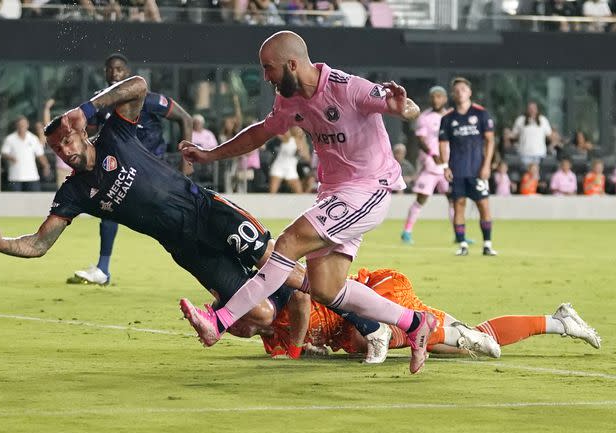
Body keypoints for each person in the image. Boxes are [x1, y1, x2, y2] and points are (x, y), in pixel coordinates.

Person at [177, 31, 436, 374]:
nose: (266, 77)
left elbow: (406, 109)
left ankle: (220, 320)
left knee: (287, 243)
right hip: (333, 194)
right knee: (327, 288)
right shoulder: (290, 99)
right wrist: (211, 155)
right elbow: (261, 132)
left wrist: (405, 107)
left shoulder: (348, 88)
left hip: (369, 189)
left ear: (292, 64)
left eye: (268, 68)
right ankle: (415, 323)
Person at [0, 76, 304, 333]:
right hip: (185, 248)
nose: (65, 151)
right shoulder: (74, 192)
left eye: (67, 141)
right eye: (57, 149)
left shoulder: (115, 134)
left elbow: (138, 85)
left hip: (208, 212)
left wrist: (86, 108)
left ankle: (344, 309)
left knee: (285, 269)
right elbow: (39, 244)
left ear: (82, 133)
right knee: (258, 317)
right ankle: (290, 316)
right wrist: (0, 244)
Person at [236, 268, 600, 361]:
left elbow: (302, 302)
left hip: (377, 293)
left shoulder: (275, 297)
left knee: (368, 338)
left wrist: (299, 348)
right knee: (466, 344)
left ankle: (443, 332)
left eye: (233, 320)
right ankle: (560, 321)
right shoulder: (270, 342)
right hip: (350, 330)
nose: (234, 329)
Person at [68, 52, 194, 287]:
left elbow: (186, 119)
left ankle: (210, 261)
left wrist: (185, 164)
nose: (115, 73)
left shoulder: (149, 100)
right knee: (108, 208)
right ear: (105, 73)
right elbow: (90, 136)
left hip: (154, 169)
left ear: (127, 73)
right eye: (110, 69)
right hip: (123, 168)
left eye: (119, 70)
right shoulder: (100, 104)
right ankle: (102, 269)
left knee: (176, 218)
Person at [439, 77, 497, 257]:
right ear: (453, 95)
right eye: (456, 90)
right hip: (457, 169)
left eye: (463, 89)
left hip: (477, 169)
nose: (460, 92)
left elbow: (490, 141)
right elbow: (442, 143)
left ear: (470, 92)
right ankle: (462, 244)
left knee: (483, 205)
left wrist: (486, 165)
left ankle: (487, 244)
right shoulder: (448, 118)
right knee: (459, 205)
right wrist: (445, 166)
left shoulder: (481, 114)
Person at [401, 85, 450, 244]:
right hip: (430, 165)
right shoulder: (425, 117)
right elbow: (420, 139)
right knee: (421, 199)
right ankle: (407, 232)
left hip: (447, 166)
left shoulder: (451, 116)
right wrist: (431, 154)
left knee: (454, 199)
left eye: (439, 96)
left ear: (445, 99)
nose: (436, 99)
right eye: (433, 96)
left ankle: (459, 234)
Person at [0, 115, 50, 191]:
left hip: (32, 177)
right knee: (14, 201)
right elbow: (3, 153)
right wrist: (10, 157)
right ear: (16, 126)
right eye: (20, 125)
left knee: (34, 200)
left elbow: (40, 155)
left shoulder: (33, 138)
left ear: (27, 125)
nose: (21, 127)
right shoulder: (10, 139)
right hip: (15, 177)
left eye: (23, 125)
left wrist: (46, 166)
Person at [510, 101, 552, 167]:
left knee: (536, 175)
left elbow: (549, 135)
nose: (532, 110)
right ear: (527, 110)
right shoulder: (520, 120)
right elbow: (514, 134)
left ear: (537, 109)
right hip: (524, 153)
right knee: (526, 175)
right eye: (530, 108)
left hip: (539, 153)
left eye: (534, 108)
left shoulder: (543, 120)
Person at [268, 126, 307, 193]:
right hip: (278, 167)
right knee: (272, 193)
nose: (299, 130)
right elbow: (277, 132)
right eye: (297, 128)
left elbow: (307, 158)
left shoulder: (302, 144)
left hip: (291, 169)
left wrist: (301, 152)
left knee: (300, 193)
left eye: (300, 129)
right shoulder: (288, 138)